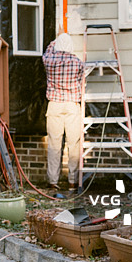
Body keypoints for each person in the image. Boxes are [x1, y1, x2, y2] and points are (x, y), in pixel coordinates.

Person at [42, 30, 84, 191]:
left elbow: (48, 50)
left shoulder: (49, 60)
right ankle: (73, 181)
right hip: (72, 104)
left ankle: (53, 181)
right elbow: (81, 82)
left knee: (54, 144)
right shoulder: (77, 62)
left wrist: (56, 39)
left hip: (55, 105)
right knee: (73, 144)